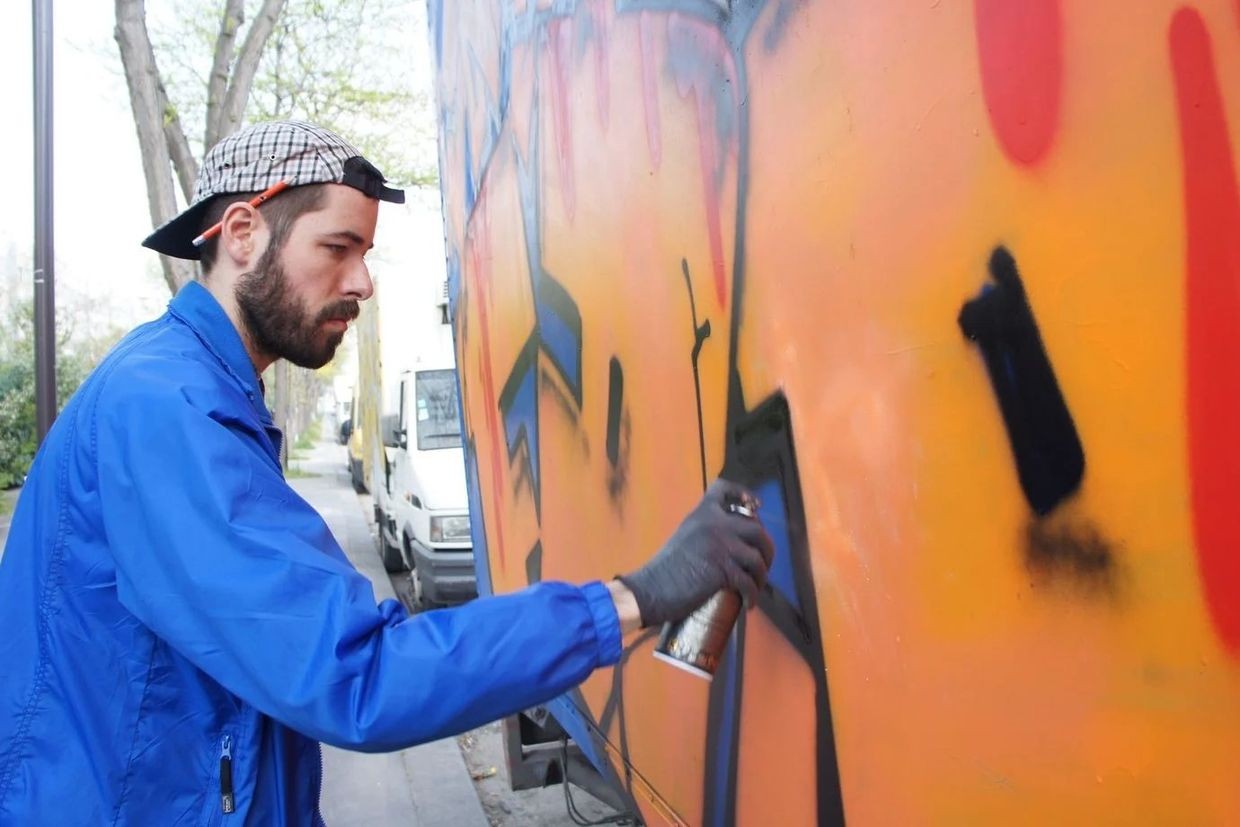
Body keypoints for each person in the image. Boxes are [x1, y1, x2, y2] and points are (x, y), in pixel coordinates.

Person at [0, 121, 774, 824]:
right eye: (337, 248)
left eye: (365, 253)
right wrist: (635, 597)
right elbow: (356, 675)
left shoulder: (199, 390)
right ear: (241, 233)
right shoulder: (164, 408)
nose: (363, 282)